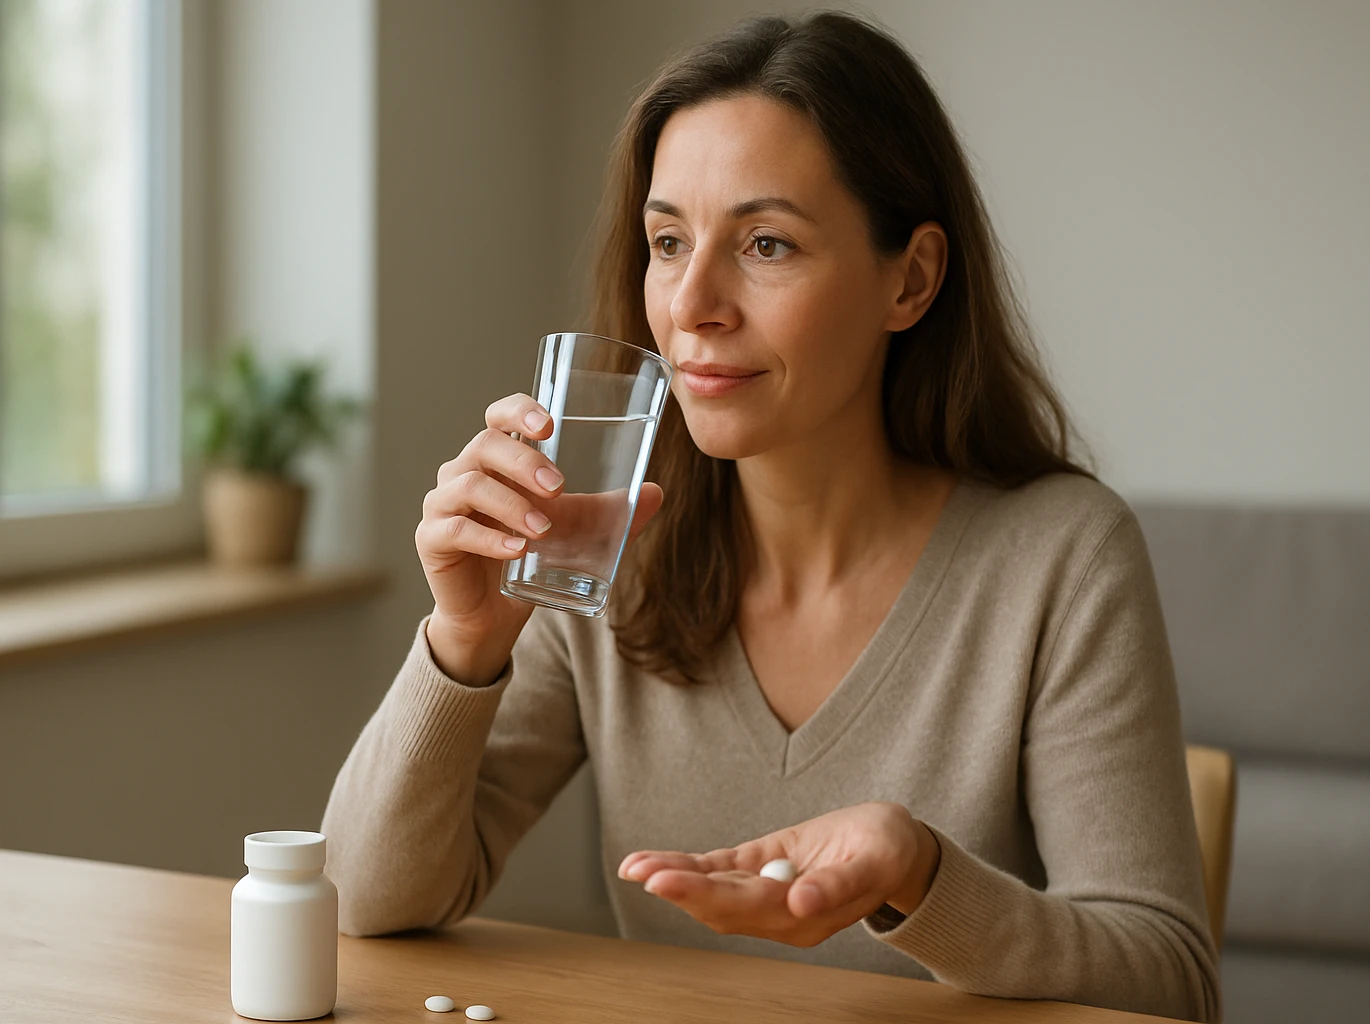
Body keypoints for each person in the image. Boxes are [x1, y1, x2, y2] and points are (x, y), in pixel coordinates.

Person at [322, 11, 1219, 1022]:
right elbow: (363, 899)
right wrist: (463, 642)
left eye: (765, 242)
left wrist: (922, 877)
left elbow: (1171, 980)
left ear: (911, 279)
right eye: (667, 241)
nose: (692, 301)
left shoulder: (1061, 557)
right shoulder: (604, 541)